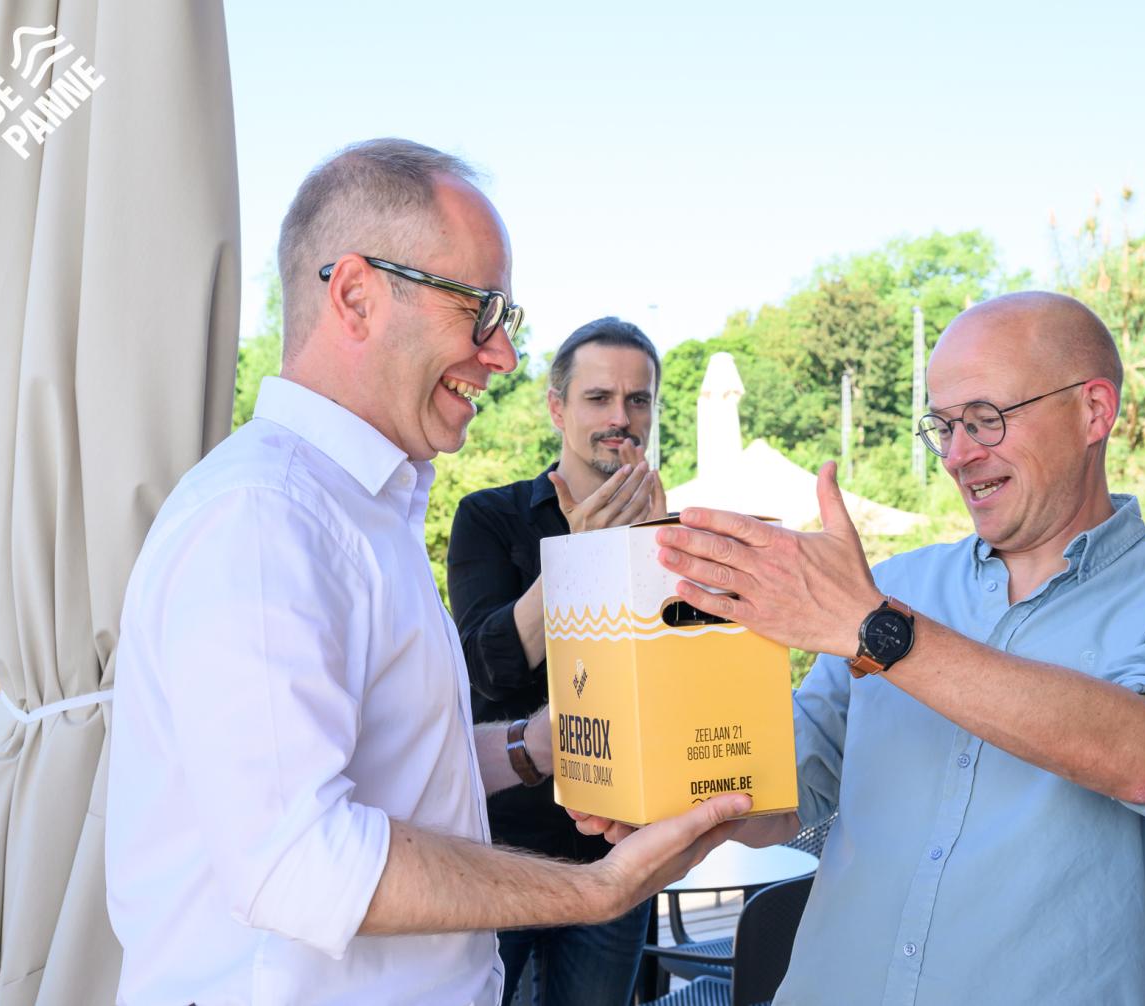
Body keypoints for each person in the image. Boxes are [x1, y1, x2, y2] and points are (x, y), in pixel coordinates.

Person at [104, 139, 748, 1006]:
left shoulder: (359, 509)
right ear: (357, 297)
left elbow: (388, 762)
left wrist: (532, 747)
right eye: (480, 310)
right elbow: (297, 863)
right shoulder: (265, 516)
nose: (503, 354)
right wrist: (599, 889)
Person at [586, 291, 1145, 1004]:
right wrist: (682, 803)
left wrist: (879, 630)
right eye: (943, 427)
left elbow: (1144, 760)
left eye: (985, 418)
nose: (959, 455)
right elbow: (793, 788)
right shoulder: (893, 584)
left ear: (1093, 411)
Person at [447, 316, 667, 1004]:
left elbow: (670, 688)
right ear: (556, 408)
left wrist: (653, 552)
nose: (620, 417)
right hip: (498, 852)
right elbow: (482, 670)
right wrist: (579, 557)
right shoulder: (489, 516)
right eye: (599, 398)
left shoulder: (668, 531)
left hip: (617, 855)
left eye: (637, 400)